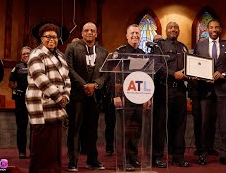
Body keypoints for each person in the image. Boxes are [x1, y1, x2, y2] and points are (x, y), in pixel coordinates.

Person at [26, 23, 71, 173]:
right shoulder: (36, 54)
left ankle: (54, 169)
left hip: (57, 106)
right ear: (41, 38)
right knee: (42, 145)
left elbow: (67, 79)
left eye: (55, 37)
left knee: (54, 145)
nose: (51, 39)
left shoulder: (61, 56)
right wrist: (59, 97)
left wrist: (66, 96)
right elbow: (40, 78)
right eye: (47, 37)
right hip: (41, 105)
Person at [65, 22, 107, 171]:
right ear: (82, 33)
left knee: (92, 129)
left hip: (94, 96)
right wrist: (84, 85)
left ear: (96, 34)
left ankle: (92, 160)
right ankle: (73, 161)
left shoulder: (103, 52)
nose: (89, 32)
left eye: (92, 30)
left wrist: (94, 85)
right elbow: (69, 69)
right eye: (86, 30)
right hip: (77, 94)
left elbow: (104, 74)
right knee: (75, 129)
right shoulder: (72, 48)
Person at [194, 19, 226, 166]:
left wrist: (223, 75)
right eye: (211, 27)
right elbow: (196, 64)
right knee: (205, 124)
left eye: (216, 27)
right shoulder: (200, 45)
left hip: (223, 90)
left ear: (220, 29)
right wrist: (201, 76)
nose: (214, 29)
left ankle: (225, 155)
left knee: (224, 125)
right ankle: (204, 153)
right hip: (205, 91)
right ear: (207, 29)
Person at [152, 21, 190, 168]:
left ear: (179, 30)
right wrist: (174, 74)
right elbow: (156, 66)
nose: (173, 29)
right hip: (164, 89)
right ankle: (157, 157)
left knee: (180, 125)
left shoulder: (183, 47)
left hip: (180, 90)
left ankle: (178, 156)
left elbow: (190, 66)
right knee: (160, 124)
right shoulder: (159, 46)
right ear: (166, 30)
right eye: (171, 27)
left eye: (176, 27)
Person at [111, 24, 146, 171]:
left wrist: (147, 96)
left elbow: (146, 77)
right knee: (125, 131)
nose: (135, 36)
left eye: (137, 33)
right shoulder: (120, 52)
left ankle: (133, 157)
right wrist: (116, 95)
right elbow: (114, 75)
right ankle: (124, 160)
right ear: (126, 35)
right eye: (132, 33)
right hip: (124, 97)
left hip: (138, 97)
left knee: (136, 129)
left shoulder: (143, 53)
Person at [8, 46, 31, 159]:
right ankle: (22, 151)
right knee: (21, 127)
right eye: (24, 54)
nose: (26, 55)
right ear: (21, 57)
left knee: (35, 127)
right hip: (21, 100)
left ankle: (34, 150)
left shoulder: (38, 66)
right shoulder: (17, 67)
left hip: (34, 100)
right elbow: (11, 82)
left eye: (28, 53)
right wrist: (15, 87)